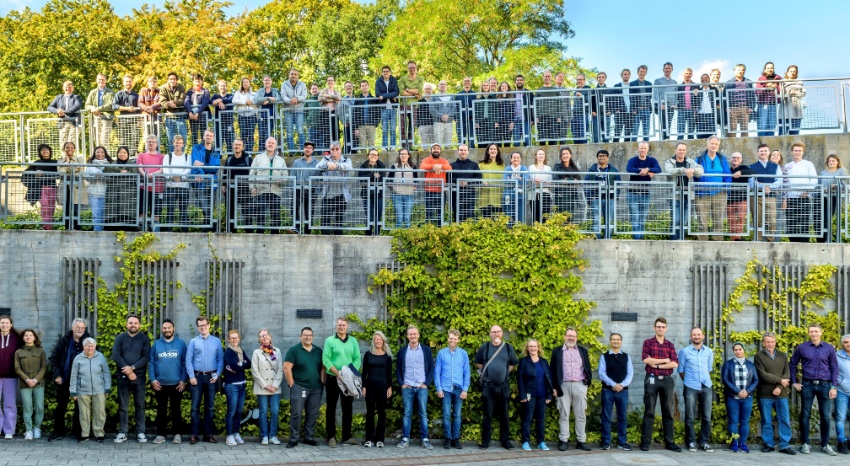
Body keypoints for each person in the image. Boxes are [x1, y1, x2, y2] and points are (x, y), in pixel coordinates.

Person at [790, 324, 839, 455]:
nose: (814, 334)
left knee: (825, 415)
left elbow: (834, 368)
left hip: (825, 385)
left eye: (816, 331)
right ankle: (805, 443)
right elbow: (792, 364)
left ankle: (825, 444)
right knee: (805, 413)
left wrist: (834, 387)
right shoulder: (802, 347)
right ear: (808, 333)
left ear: (821, 333)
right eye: (811, 332)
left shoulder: (829, 348)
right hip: (807, 384)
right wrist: (795, 382)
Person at [640, 317, 681, 452]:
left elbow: (674, 364)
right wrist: (664, 360)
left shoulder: (670, 345)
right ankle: (646, 442)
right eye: (658, 327)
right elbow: (646, 360)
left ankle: (670, 442)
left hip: (667, 381)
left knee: (668, 411)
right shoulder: (648, 343)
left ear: (666, 328)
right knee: (649, 411)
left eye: (663, 327)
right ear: (654, 328)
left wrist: (656, 365)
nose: (661, 329)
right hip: (651, 379)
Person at [475, 325, 519, 450]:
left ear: (502, 333)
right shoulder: (485, 347)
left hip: (503, 386)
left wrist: (503, 372)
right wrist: (488, 372)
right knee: (487, 415)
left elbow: (512, 364)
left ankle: (505, 441)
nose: (496, 334)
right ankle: (485, 441)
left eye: (498, 331)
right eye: (493, 332)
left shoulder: (508, 347)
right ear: (490, 334)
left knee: (504, 415)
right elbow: (478, 363)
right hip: (488, 386)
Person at [550, 327, 592, 451]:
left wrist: (586, 383)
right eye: (569, 335)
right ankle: (563, 440)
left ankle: (581, 440)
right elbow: (552, 370)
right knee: (564, 413)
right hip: (563, 386)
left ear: (576, 338)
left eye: (573, 336)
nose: (571, 338)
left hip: (580, 385)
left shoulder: (583, 351)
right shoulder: (557, 351)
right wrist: (554, 387)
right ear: (564, 337)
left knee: (581, 414)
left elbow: (587, 367)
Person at [753, 332, 795, 455]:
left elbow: (786, 374)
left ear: (775, 342)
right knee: (766, 420)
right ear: (763, 343)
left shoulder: (782, 356)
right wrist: (780, 381)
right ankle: (768, 444)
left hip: (781, 394)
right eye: (767, 342)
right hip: (765, 394)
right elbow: (763, 374)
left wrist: (779, 387)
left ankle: (784, 445)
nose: (770, 344)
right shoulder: (758, 356)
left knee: (784, 419)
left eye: (772, 341)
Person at [48, 318, 90, 441]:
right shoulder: (64, 340)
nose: (80, 330)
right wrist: (57, 375)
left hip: (81, 380)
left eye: (82, 328)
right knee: (61, 406)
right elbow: (54, 358)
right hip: (64, 379)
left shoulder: (88, 340)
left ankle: (77, 431)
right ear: (73, 327)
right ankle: (58, 431)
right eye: (78, 327)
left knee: (80, 407)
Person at [322, 317, 361, 447]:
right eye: (339, 325)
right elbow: (326, 360)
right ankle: (331, 436)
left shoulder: (353, 341)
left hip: (348, 380)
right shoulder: (330, 341)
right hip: (333, 378)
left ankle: (346, 437)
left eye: (343, 325)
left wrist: (348, 374)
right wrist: (339, 374)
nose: (341, 327)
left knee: (347, 408)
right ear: (336, 326)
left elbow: (357, 359)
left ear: (347, 326)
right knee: (331, 407)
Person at [112, 314, 151, 443]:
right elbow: (116, 356)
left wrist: (132, 368)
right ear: (126, 324)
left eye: (135, 323)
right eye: (130, 323)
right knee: (123, 406)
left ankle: (141, 432)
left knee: (140, 405)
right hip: (123, 377)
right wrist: (128, 372)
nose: (133, 325)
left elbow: (146, 357)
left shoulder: (144, 339)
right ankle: (123, 432)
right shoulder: (120, 338)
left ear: (139, 325)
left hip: (139, 378)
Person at [283, 327, 324, 449]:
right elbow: (286, 368)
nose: (308, 337)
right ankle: (294, 438)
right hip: (299, 387)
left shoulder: (318, 351)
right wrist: (292, 385)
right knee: (296, 413)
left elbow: (323, 367)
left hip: (316, 388)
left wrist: (322, 382)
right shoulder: (294, 350)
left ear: (312, 336)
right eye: (305, 335)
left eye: (310, 335)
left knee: (312, 414)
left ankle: (308, 437)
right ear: (301, 336)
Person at [186, 316, 223, 444]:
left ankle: (208, 434)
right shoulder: (193, 342)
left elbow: (220, 359)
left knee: (210, 407)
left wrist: (217, 375)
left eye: (205, 325)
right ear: (198, 327)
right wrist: (191, 376)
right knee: (195, 407)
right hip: (197, 377)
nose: (203, 327)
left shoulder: (216, 341)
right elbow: (188, 360)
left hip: (211, 377)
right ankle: (194, 435)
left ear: (209, 325)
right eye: (200, 325)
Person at [149, 319, 187, 445]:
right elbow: (152, 363)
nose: (167, 330)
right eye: (164, 328)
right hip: (160, 384)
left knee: (176, 410)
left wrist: (183, 380)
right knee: (161, 410)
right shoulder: (156, 344)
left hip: (177, 383)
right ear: (162, 329)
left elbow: (184, 363)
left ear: (173, 329)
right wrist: (153, 380)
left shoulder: (181, 344)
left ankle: (177, 434)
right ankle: (161, 435)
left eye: (169, 328)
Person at [396, 325, 434, 450]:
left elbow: (431, 369)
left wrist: (426, 383)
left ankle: (425, 439)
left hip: (421, 386)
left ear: (418, 335)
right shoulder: (402, 351)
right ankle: (405, 438)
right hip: (407, 386)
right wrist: (402, 383)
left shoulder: (426, 350)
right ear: (407, 336)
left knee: (423, 413)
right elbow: (398, 369)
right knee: (407, 413)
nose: (412, 336)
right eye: (410, 334)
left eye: (414, 334)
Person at [678, 327, 714, 453]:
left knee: (707, 416)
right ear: (691, 336)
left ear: (703, 336)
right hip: (690, 387)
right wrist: (689, 381)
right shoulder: (684, 352)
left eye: (699, 334)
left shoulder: (709, 351)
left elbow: (709, 369)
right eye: (694, 335)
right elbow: (681, 371)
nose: (697, 337)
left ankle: (704, 442)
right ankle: (691, 442)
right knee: (690, 416)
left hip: (706, 386)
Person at [69, 338, 111, 442]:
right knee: (84, 413)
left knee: (100, 412)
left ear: (95, 347)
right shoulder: (78, 358)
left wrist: (107, 388)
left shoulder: (100, 357)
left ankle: (99, 433)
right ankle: (85, 434)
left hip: (99, 390)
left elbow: (106, 373)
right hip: (82, 390)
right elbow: (73, 375)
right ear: (84, 347)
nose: (90, 348)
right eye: (87, 346)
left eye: (92, 346)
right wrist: (73, 391)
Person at [517, 339, 555, 451]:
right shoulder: (524, 362)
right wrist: (523, 395)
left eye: (535, 346)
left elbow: (549, 379)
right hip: (529, 395)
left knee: (541, 419)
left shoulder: (544, 362)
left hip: (542, 395)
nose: (533, 348)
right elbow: (520, 379)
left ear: (538, 348)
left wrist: (549, 395)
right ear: (527, 348)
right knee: (527, 418)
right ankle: (525, 442)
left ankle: (541, 442)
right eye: (530, 346)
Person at [434, 329, 469, 450]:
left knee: (457, 415)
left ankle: (456, 439)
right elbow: (437, 372)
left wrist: (465, 389)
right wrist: (439, 388)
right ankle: (448, 439)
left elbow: (466, 373)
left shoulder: (463, 354)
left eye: (454, 338)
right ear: (447, 339)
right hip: (446, 389)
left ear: (458, 339)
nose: (452, 340)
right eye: (450, 338)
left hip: (459, 389)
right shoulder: (441, 353)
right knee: (446, 415)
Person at [721, 342, 758, 453]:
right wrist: (738, 391)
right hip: (733, 397)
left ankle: (743, 443)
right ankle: (735, 443)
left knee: (744, 422)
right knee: (733, 421)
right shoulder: (728, 364)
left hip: (747, 397)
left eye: (740, 349)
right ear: (733, 351)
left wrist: (747, 391)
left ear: (743, 350)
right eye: (736, 350)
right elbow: (725, 380)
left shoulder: (750, 365)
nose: (738, 351)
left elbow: (756, 380)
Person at [598, 333, 632, 450]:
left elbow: (630, 374)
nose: (616, 341)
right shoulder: (604, 356)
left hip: (623, 391)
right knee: (606, 416)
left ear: (621, 342)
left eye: (618, 339)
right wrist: (613, 384)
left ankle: (622, 442)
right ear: (610, 341)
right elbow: (602, 373)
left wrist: (621, 385)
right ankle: (606, 441)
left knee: (622, 417)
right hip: (608, 390)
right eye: (613, 339)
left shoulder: (626, 357)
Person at [694, 136, 731, 241]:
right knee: (702, 219)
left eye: (716, 144)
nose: (714, 146)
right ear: (707, 145)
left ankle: (717, 241)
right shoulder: (699, 159)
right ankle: (702, 242)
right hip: (703, 193)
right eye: (712, 143)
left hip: (719, 193)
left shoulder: (722, 159)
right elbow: (695, 175)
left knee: (718, 219)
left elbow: (727, 175)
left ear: (718, 146)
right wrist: (699, 188)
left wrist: (726, 188)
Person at [664, 142, 703, 240]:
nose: (682, 152)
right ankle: (673, 241)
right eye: (680, 150)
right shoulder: (670, 161)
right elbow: (669, 171)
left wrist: (693, 170)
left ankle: (681, 241)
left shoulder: (690, 162)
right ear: (675, 151)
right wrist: (683, 170)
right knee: (675, 221)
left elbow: (701, 171)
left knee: (684, 221)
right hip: (675, 196)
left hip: (688, 196)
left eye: (684, 150)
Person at [247, 137, 288, 230]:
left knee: (275, 215)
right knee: (260, 214)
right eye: (269, 143)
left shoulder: (281, 160)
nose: (270, 144)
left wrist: (282, 180)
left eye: (272, 143)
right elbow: (252, 173)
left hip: (275, 191)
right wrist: (252, 188)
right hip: (261, 191)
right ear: (265, 145)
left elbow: (285, 175)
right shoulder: (258, 158)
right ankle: (260, 235)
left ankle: (275, 236)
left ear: (276, 146)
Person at [251, 328, 283, 445]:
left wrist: (274, 385)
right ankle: (264, 435)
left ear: (270, 336)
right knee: (263, 411)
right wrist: (266, 385)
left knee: (275, 411)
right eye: (261, 336)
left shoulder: (277, 351)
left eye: (266, 335)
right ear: (259, 339)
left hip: (275, 387)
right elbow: (255, 371)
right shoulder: (256, 352)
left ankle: (273, 435)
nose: (264, 337)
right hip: (262, 387)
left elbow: (280, 369)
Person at [361, 331, 392, 449]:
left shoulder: (387, 356)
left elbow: (389, 374)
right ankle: (369, 439)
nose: (378, 341)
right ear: (373, 341)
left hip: (383, 387)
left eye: (380, 339)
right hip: (370, 387)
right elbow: (364, 372)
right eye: (376, 339)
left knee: (381, 413)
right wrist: (363, 386)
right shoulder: (368, 355)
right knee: (370, 413)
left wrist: (389, 387)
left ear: (383, 341)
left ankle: (380, 439)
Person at [14, 329, 46, 441]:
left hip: (39, 383)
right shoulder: (18, 352)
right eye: (26, 335)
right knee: (27, 407)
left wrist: (36, 379)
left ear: (34, 337)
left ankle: (37, 428)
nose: (28, 337)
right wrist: (27, 379)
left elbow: (44, 367)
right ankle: (29, 430)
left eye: (30, 335)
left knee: (39, 406)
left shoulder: (40, 351)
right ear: (23, 338)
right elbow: (17, 368)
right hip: (25, 383)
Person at [783, 142, 818, 242]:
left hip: (804, 199)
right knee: (791, 224)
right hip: (791, 199)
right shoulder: (787, 166)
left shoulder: (808, 164)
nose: (797, 153)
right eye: (795, 150)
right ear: (791, 152)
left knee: (804, 223)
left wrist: (807, 191)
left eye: (799, 151)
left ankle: (804, 245)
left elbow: (814, 180)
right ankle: (793, 244)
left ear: (803, 152)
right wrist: (785, 198)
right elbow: (785, 183)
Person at [625, 142, 661, 239]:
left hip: (645, 193)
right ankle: (637, 239)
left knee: (643, 217)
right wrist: (643, 171)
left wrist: (648, 169)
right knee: (635, 216)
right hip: (633, 193)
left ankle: (641, 237)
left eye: (645, 148)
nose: (643, 150)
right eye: (641, 148)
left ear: (648, 149)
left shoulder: (651, 160)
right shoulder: (632, 160)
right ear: (638, 149)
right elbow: (629, 169)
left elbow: (659, 169)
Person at [316, 143, 353, 235]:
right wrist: (327, 163)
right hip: (328, 195)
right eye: (333, 149)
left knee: (339, 219)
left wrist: (337, 165)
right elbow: (318, 166)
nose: (335, 151)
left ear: (340, 150)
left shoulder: (346, 160)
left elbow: (349, 167)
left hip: (341, 196)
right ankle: (324, 239)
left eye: (337, 149)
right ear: (330, 150)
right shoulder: (325, 159)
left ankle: (338, 240)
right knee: (325, 219)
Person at [223, 329, 250, 447]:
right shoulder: (228, 352)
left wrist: (240, 365)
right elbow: (233, 365)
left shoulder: (241, 351)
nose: (234, 340)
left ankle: (236, 433)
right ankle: (229, 436)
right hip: (232, 385)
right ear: (229, 339)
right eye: (232, 338)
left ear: (239, 339)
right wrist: (240, 365)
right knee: (232, 411)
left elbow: (248, 364)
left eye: (236, 337)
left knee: (239, 411)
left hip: (242, 384)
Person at [189, 129, 221, 230]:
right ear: (203, 137)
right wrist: (201, 174)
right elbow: (195, 163)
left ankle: (208, 227)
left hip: (212, 183)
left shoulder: (215, 153)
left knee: (211, 206)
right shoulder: (196, 148)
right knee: (204, 206)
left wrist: (203, 164)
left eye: (211, 136)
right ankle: (209, 226)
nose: (209, 137)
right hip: (201, 182)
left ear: (213, 138)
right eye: (207, 135)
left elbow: (215, 168)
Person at [585, 149, 621, 238]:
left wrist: (615, 197)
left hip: (609, 199)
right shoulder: (592, 170)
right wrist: (590, 198)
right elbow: (585, 184)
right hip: (596, 198)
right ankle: (597, 239)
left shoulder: (613, 170)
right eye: (600, 156)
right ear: (597, 158)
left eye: (604, 156)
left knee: (608, 221)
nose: (602, 157)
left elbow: (619, 184)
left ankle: (607, 239)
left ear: (608, 158)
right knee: (596, 220)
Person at [23, 144, 59, 230]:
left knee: (51, 208)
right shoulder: (37, 163)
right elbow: (26, 172)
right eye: (42, 150)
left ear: (50, 151)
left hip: (53, 187)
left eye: (46, 149)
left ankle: (50, 227)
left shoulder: (55, 162)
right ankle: (45, 226)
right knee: (45, 206)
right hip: (41, 187)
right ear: (40, 152)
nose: (45, 151)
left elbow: (61, 172)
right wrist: (34, 173)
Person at [750, 144, 781, 242]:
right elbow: (751, 183)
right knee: (757, 220)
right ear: (757, 153)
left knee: (771, 220)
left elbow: (779, 181)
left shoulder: (776, 166)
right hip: (756, 196)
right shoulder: (751, 166)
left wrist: (769, 187)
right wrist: (763, 186)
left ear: (768, 152)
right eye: (761, 151)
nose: (763, 153)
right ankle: (757, 241)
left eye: (765, 151)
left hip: (770, 196)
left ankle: (769, 242)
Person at [161, 135, 192, 231]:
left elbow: (188, 170)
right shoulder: (167, 156)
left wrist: (181, 177)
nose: (178, 144)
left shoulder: (188, 157)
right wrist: (172, 177)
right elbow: (165, 170)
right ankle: (169, 233)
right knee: (170, 211)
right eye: (176, 142)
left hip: (184, 187)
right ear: (173, 143)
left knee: (184, 211)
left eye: (180, 142)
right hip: (170, 187)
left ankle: (185, 234)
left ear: (183, 144)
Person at [223, 139, 252, 233]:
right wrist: (224, 185)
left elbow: (252, 174)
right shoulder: (229, 159)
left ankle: (248, 232)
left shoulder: (248, 159)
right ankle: (231, 231)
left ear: (243, 147)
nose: (237, 146)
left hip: (245, 189)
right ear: (232, 145)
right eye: (236, 144)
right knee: (230, 210)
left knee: (247, 211)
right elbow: (224, 173)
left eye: (239, 145)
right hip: (231, 189)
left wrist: (252, 187)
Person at [419, 144, 452, 225]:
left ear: (440, 151)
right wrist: (433, 166)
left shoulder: (444, 161)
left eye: (438, 149)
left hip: (441, 191)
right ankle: (429, 230)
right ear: (431, 151)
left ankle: (439, 231)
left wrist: (440, 166)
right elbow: (422, 167)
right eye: (434, 148)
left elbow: (449, 168)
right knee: (429, 213)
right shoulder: (426, 160)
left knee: (440, 213)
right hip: (429, 190)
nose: (436, 150)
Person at [57, 141, 86, 230]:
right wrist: (68, 163)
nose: (69, 149)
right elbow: (61, 174)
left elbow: (80, 172)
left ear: (74, 149)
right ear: (64, 149)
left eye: (72, 148)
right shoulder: (60, 161)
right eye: (67, 147)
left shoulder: (79, 160)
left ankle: (77, 227)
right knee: (66, 208)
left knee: (76, 208)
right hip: (64, 187)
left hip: (76, 187)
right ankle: (67, 227)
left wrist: (68, 170)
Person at [136, 135, 164, 225]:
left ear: (157, 144)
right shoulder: (141, 155)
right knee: (142, 210)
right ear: (146, 143)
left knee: (156, 212)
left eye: (153, 141)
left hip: (157, 188)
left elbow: (162, 169)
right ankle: (141, 229)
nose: (151, 143)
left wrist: (153, 174)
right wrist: (145, 175)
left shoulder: (161, 156)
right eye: (149, 141)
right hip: (143, 187)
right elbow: (139, 167)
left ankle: (155, 230)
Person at [0, 315, 21, 439]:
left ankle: (9, 430)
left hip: (11, 376)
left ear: (11, 324)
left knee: (10, 404)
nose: (4, 325)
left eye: (6, 323)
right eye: (2, 323)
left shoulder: (16, 339)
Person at [357, 149, 385, 235]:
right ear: (368, 155)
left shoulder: (381, 166)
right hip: (367, 194)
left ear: (378, 157)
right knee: (369, 216)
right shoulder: (363, 166)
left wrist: (368, 176)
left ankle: (377, 234)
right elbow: (361, 180)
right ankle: (368, 235)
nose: (373, 156)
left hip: (378, 194)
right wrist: (373, 175)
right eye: (372, 154)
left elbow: (382, 179)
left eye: (375, 155)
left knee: (378, 216)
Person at [84, 146, 113, 231]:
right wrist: (95, 177)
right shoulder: (90, 164)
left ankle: (103, 231)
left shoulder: (110, 164)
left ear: (105, 153)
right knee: (96, 214)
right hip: (93, 193)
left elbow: (112, 178)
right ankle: (97, 232)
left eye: (102, 152)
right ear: (94, 153)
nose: (100, 154)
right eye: (98, 152)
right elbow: (86, 178)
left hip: (106, 193)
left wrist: (103, 177)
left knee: (104, 214)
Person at [291, 142, 318, 233]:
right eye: (306, 147)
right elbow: (292, 176)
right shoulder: (297, 162)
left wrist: (317, 192)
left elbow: (319, 179)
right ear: (303, 149)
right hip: (298, 189)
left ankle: (308, 231)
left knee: (309, 211)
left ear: (312, 150)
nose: (308, 149)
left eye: (310, 148)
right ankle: (296, 228)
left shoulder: (317, 164)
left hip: (311, 190)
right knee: (294, 207)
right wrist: (293, 189)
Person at [449, 144, 480, 223]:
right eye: (461, 150)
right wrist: (458, 181)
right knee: (457, 216)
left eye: (465, 150)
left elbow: (479, 178)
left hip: (470, 195)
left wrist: (467, 182)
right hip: (456, 195)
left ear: (468, 152)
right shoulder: (452, 165)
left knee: (469, 217)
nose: (463, 152)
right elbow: (448, 178)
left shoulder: (474, 165)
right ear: (458, 152)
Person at [112, 74, 142, 156]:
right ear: (123, 83)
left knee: (135, 139)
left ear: (132, 82)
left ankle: (131, 156)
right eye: (126, 81)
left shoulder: (136, 95)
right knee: (123, 140)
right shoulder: (119, 94)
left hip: (134, 121)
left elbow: (140, 109)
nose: (128, 83)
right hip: (123, 120)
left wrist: (140, 120)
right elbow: (114, 106)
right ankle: (122, 156)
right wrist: (126, 108)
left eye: (129, 81)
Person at [819, 154, 846, 242]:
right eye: (829, 161)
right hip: (822, 198)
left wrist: (834, 186)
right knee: (820, 219)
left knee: (827, 218)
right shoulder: (823, 172)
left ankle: (826, 239)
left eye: (833, 161)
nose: (831, 162)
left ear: (837, 162)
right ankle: (821, 240)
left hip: (833, 198)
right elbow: (818, 185)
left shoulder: (841, 171)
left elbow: (844, 185)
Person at [47, 80, 82, 149]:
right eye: (66, 87)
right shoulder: (58, 97)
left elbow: (77, 106)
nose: (68, 89)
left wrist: (65, 112)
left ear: (73, 88)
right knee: (63, 143)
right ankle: (64, 159)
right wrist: (57, 111)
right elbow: (49, 107)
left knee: (72, 142)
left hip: (74, 123)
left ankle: (71, 159)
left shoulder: (76, 97)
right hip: (62, 123)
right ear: (63, 88)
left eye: (70, 87)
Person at [552, 147, 582, 225]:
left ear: (570, 155)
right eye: (563, 154)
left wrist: (566, 180)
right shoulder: (557, 167)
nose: (565, 155)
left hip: (572, 195)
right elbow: (555, 180)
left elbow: (578, 181)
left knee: (570, 216)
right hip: (560, 195)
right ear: (560, 156)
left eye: (567, 154)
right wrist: (571, 179)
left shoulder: (574, 168)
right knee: (560, 216)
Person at [158, 72, 187, 153]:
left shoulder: (181, 87)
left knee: (183, 137)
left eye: (174, 79)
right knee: (171, 139)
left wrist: (175, 103)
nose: (172, 81)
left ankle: (181, 155)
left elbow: (182, 99)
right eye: (170, 79)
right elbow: (162, 101)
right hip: (169, 117)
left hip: (180, 117)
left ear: (176, 80)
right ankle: (172, 156)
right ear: (168, 80)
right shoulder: (163, 88)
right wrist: (168, 104)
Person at [389, 148, 418, 228]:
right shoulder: (394, 166)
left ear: (408, 156)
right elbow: (389, 180)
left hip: (409, 195)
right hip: (397, 195)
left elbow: (416, 180)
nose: (403, 155)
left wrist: (414, 188)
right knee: (399, 217)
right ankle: (398, 236)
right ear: (399, 155)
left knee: (407, 218)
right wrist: (394, 188)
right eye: (401, 154)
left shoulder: (413, 167)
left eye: (405, 154)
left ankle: (407, 236)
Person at [398, 61, 424, 148]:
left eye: (413, 68)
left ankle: (410, 146)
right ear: (407, 69)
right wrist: (414, 93)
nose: (411, 69)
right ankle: (403, 147)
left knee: (412, 127)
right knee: (402, 126)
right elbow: (401, 92)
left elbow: (419, 91)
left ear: (416, 69)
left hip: (414, 106)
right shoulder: (403, 79)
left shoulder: (420, 79)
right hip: (403, 105)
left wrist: (408, 90)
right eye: (410, 68)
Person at [84, 73, 115, 148]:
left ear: (105, 81)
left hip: (106, 118)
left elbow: (111, 105)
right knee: (97, 140)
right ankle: (99, 158)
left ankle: (105, 158)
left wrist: (98, 109)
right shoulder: (93, 92)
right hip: (95, 118)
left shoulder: (110, 92)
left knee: (104, 139)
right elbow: (87, 105)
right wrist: (93, 109)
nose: (101, 81)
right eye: (99, 79)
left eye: (102, 79)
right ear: (96, 80)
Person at [727, 152, 752, 241]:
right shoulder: (728, 169)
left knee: (741, 217)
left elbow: (751, 171)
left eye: (738, 157)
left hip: (742, 197)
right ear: (731, 159)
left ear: (741, 159)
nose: (735, 159)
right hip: (730, 198)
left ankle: (738, 237)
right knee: (731, 219)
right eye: (733, 157)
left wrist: (741, 172)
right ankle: (734, 239)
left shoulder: (744, 168)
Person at [281, 69, 308, 151]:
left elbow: (304, 96)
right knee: (289, 131)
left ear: (298, 76)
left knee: (300, 130)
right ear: (289, 75)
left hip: (299, 110)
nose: (293, 76)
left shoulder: (302, 84)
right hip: (288, 110)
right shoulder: (284, 84)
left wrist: (297, 98)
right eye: (292, 74)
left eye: (295, 74)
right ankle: (291, 151)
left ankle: (303, 150)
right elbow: (283, 95)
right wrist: (289, 100)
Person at [725, 64, 754, 138]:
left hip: (745, 108)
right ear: (734, 71)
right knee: (732, 130)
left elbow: (752, 95)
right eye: (738, 70)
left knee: (744, 130)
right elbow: (725, 96)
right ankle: (732, 149)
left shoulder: (748, 82)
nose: (740, 71)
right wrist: (727, 107)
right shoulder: (729, 83)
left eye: (742, 70)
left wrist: (751, 107)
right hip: (733, 108)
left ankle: (744, 148)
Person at [477, 144, 505, 218]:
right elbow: (478, 176)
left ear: (498, 151)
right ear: (488, 151)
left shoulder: (501, 164)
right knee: (486, 219)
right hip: (485, 194)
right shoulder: (481, 164)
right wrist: (483, 181)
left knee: (498, 220)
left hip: (498, 194)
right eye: (491, 149)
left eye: (495, 149)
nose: (493, 151)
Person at [375, 66, 400, 148]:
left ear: (390, 72)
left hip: (393, 108)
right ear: (382, 73)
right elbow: (377, 93)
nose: (385, 73)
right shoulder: (378, 81)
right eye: (384, 71)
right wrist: (390, 95)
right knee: (384, 130)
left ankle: (393, 146)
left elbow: (396, 92)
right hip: (383, 108)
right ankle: (384, 147)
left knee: (393, 129)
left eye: (387, 71)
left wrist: (384, 96)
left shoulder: (394, 80)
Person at [231, 78, 258, 152]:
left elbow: (257, 102)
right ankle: (244, 151)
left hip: (252, 116)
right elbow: (234, 101)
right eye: (244, 82)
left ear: (249, 83)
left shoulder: (254, 94)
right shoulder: (238, 93)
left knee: (251, 135)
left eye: (247, 82)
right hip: (242, 116)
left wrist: (251, 103)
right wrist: (245, 102)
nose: (245, 83)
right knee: (243, 134)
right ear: (242, 84)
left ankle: (249, 152)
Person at [756, 62, 781, 137]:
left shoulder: (778, 79)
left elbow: (780, 91)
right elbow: (757, 91)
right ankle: (761, 143)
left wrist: (775, 87)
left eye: (771, 68)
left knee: (772, 124)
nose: (770, 69)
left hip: (773, 104)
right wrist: (767, 86)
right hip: (763, 104)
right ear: (765, 69)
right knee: (762, 124)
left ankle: (770, 142)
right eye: (768, 68)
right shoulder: (760, 79)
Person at [354, 80, 381, 150]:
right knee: (362, 146)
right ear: (360, 88)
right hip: (361, 125)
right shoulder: (358, 100)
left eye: (365, 85)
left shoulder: (374, 99)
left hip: (371, 125)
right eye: (362, 86)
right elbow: (355, 114)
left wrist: (376, 123)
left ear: (368, 86)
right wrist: (356, 127)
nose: (364, 87)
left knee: (371, 145)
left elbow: (378, 112)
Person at [835, 334, 850, 454]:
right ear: (842, 344)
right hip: (842, 392)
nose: (848, 344)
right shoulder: (837, 356)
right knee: (841, 418)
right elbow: (833, 371)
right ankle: (842, 442)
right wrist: (840, 382)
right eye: (846, 342)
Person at [253, 76, 280, 146]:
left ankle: (268, 151)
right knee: (261, 135)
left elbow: (279, 99)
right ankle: (261, 152)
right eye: (265, 80)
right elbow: (256, 100)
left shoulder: (275, 90)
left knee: (268, 134)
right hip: (261, 116)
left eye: (268, 80)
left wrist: (268, 101)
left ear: (271, 81)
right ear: (263, 82)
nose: (267, 82)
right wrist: (267, 98)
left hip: (271, 116)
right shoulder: (260, 91)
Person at [503, 151, 528, 224]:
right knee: (509, 217)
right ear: (511, 159)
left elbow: (525, 181)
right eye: (514, 157)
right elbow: (505, 181)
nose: (516, 159)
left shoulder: (523, 168)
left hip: (520, 197)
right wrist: (519, 179)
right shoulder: (508, 168)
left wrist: (511, 179)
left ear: (520, 159)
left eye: (518, 157)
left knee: (520, 218)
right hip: (509, 196)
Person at [528, 149, 552, 224]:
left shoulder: (548, 168)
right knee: (535, 216)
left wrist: (540, 181)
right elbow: (532, 180)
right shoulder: (531, 167)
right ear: (536, 156)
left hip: (546, 193)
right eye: (539, 154)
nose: (541, 155)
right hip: (534, 194)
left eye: (542, 154)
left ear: (545, 157)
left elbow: (550, 182)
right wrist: (543, 181)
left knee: (545, 215)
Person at [654, 63, 677, 139]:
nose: (668, 70)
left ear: (672, 70)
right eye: (666, 68)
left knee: (669, 124)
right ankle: (664, 139)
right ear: (663, 69)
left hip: (671, 106)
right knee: (664, 124)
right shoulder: (658, 81)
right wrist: (660, 104)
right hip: (663, 105)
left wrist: (675, 104)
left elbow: (676, 94)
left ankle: (667, 139)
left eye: (669, 68)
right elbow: (655, 93)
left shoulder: (674, 82)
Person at [781, 65, 805, 135]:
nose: (792, 73)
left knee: (795, 135)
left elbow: (803, 92)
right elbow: (781, 93)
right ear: (787, 72)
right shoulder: (783, 82)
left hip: (796, 112)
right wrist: (789, 92)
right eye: (791, 71)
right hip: (785, 112)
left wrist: (795, 93)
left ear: (796, 73)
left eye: (794, 71)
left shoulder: (800, 82)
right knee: (783, 135)